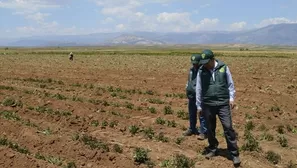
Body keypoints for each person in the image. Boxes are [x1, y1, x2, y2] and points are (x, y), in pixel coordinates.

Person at [196, 49, 241, 166]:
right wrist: (199, 106)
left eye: (207, 62)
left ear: (212, 59)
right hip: (208, 104)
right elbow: (199, 89)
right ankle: (212, 149)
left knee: (228, 127)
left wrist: (231, 98)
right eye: (203, 62)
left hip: (222, 104)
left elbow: (230, 84)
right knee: (210, 129)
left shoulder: (224, 67)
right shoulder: (201, 71)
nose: (205, 64)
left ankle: (234, 153)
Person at [183, 53, 207, 140]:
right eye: (193, 63)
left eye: (196, 63)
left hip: (200, 96)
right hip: (191, 95)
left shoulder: (203, 71)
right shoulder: (191, 70)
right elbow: (189, 80)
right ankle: (192, 128)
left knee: (201, 114)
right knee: (192, 113)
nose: (194, 64)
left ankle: (203, 132)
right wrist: (187, 87)